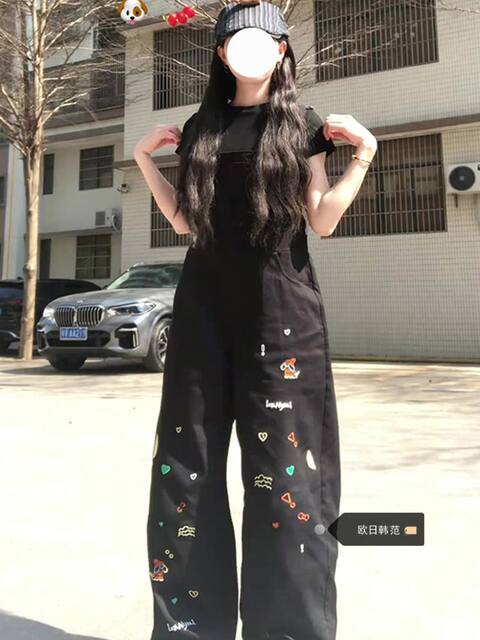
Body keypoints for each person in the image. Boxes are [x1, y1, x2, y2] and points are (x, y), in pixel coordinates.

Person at [134, 2, 377, 639]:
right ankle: (190, 628)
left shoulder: (303, 124)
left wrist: (364, 155)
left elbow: (321, 219)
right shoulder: (201, 127)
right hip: (203, 307)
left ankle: (288, 629)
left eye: (263, 37)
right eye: (236, 39)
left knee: (287, 477)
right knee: (186, 465)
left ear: (281, 48)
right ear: (221, 53)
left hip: (282, 313)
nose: (250, 48)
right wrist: (144, 160)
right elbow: (184, 222)